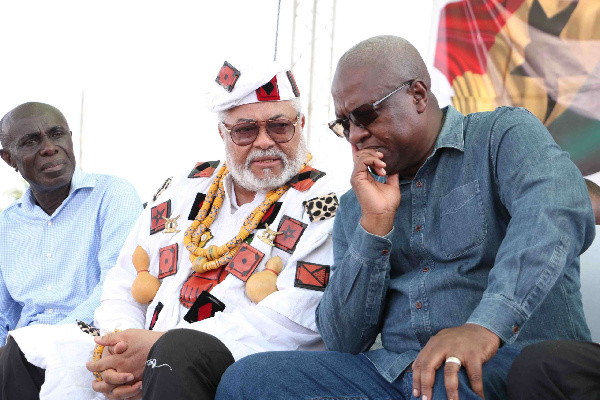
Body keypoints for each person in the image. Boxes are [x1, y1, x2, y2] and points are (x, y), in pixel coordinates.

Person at [215, 35, 596, 400]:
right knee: (249, 380)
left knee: (453, 377)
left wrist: (485, 325)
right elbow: (344, 341)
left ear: (417, 94)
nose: (355, 136)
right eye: (345, 124)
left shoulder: (499, 136)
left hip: (501, 360)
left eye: (365, 115)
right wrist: (374, 226)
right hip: (394, 376)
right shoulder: (355, 205)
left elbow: (555, 210)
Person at [0, 61, 346, 400]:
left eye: (279, 126)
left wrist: (154, 347)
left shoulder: (325, 201)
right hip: (146, 345)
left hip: (241, 358)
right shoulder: (186, 186)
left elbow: (295, 319)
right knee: (31, 349)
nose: (264, 142)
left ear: (300, 125)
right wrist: (122, 348)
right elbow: (121, 285)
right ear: (223, 134)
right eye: (245, 130)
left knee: (175, 352)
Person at [0, 102, 141, 351]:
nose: (50, 148)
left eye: (57, 135)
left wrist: (48, 342)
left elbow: (118, 285)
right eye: (31, 141)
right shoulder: (6, 225)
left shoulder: (112, 195)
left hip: (94, 343)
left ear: (70, 139)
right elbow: (2, 316)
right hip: (22, 353)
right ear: (9, 159)